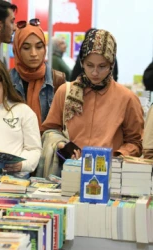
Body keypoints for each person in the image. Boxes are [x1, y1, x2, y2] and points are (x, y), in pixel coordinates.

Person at [39, 29, 144, 178]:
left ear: (111, 64)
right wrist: (62, 145)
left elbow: (136, 142)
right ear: (82, 62)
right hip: (69, 173)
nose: (95, 73)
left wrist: (117, 157)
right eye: (89, 65)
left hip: (109, 175)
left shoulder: (127, 99)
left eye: (102, 66)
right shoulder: (65, 92)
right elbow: (49, 131)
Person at [9, 19, 65, 130]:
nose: (33, 54)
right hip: (14, 145)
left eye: (39, 47)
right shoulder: (6, 79)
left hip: (47, 145)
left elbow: (62, 124)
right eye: (26, 48)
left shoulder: (57, 79)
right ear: (17, 50)